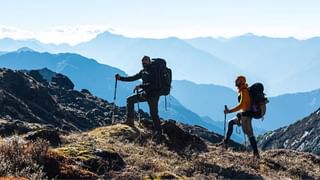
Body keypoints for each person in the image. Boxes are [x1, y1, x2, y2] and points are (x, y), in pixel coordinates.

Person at [115, 56, 162, 133]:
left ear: (149, 62)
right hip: (145, 94)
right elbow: (133, 78)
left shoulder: (154, 70)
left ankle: (159, 133)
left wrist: (141, 86)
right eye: (143, 62)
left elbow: (155, 85)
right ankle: (130, 121)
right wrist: (120, 78)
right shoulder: (143, 71)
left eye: (146, 61)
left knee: (153, 114)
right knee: (130, 100)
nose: (144, 63)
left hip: (154, 95)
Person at [219, 75, 260, 158]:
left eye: (237, 81)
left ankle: (256, 153)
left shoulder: (244, 91)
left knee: (249, 133)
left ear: (241, 82)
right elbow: (243, 106)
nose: (235, 82)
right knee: (231, 123)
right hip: (243, 115)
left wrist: (230, 111)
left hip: (246, 116)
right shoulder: (243, 91)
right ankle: (225, 143)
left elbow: (241, 105)